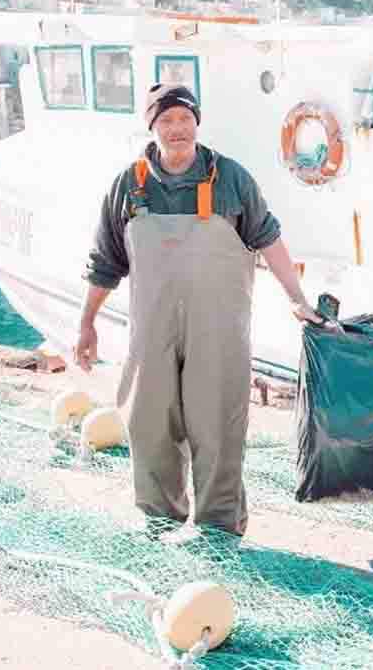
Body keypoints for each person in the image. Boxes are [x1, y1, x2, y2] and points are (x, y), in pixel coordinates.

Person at [74, 83, 325, 537]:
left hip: (219, 332)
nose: (176, 129)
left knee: (218, 428)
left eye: (184, 119)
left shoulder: (231, 178)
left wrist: (298, 299)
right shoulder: (129, 185)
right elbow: (105, 261)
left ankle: (218, 528)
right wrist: (86, 323)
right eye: (166, 120)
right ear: (151, 126)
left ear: (197, 122)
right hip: (152, 334)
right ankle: (158, 521)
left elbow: (268, 239)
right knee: (148, 423)